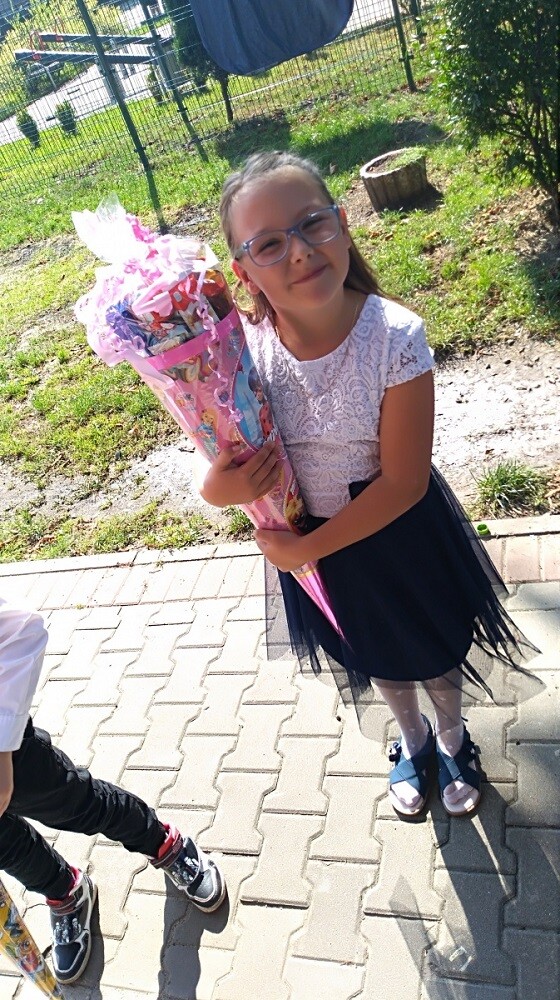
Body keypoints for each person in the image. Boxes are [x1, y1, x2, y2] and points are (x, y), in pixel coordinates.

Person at [199, 149, 537, 822]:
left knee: (431, 643)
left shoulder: (395, 338)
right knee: (370, 648)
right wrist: (220, 490)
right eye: (269, 244)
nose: (300, 250)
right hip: (314, 545)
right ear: (243, 272)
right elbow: (218, 461)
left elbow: (405, 483)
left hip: (398, 534)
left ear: (343, 224)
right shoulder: (242, 358)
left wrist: (304, 551)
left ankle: (452, 736)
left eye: (312, 223)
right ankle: (412, 738)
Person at [0, 599, 226, 986]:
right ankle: (67, 891)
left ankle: (162, 843)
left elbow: (20, 632)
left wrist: (2, 747)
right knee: (12, 854)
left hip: (11, 757)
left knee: (79, 806)